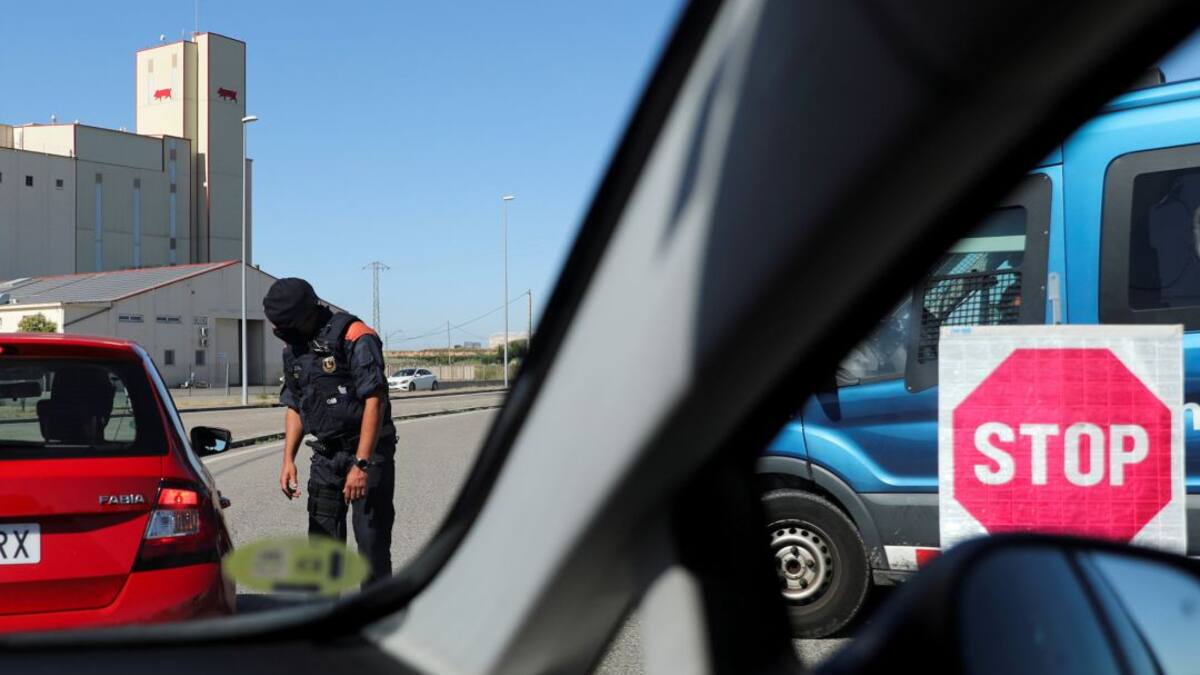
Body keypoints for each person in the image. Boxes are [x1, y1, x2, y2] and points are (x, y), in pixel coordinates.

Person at [263, 277, 396, 585]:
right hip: (326, 457)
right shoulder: (294, 348)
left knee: (371, 551)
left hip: (368, 456)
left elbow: (375, 400)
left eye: (283, 324)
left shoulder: (356, 336)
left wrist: (361, 465)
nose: (278, 331)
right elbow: (295, 404)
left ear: (304, 316)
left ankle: (375, 622)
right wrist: (287, 460)